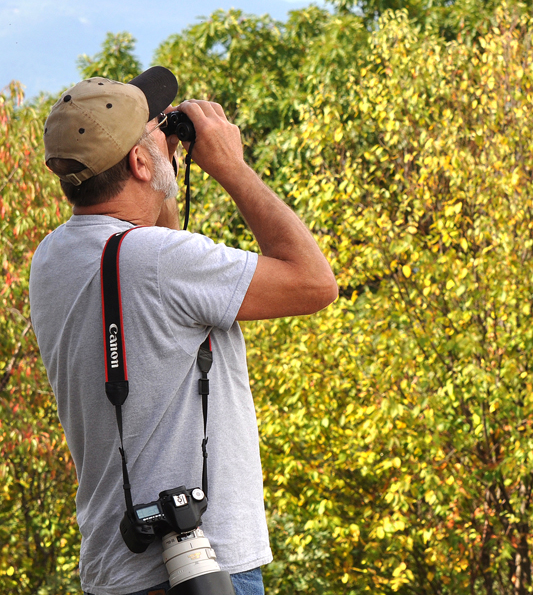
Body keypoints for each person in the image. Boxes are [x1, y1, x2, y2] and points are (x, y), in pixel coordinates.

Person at [29, 66, 337, 595]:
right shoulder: (160, 262)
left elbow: (154, 267)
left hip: (116, 565)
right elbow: (315, 283)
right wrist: (231, 168)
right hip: (201, 570)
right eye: (155, 129)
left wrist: (157, 170)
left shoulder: (52, 256)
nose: (166, 131)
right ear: (137, 161)